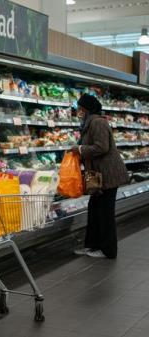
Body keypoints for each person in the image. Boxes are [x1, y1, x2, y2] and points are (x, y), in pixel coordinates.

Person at [72, 94, 129, 259]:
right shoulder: (89, 123)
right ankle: (92, 245)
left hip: (107, 175)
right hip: (96, 175)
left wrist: (80, 149)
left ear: (86, 109)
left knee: (105, 214)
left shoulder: (98, 122)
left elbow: (102, 147)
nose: (78, 111)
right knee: (94, 211)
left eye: (80, 108)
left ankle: (108, 250)